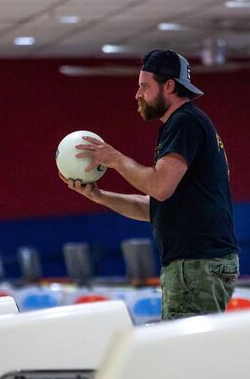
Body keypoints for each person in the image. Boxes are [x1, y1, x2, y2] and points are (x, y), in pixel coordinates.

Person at [60, 49, 239, 320]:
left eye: (144, 86)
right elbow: (154, 206)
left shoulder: (184, 122)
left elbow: (159, 187)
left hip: (195, 264)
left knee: (185, 359)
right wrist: (100, 196)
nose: (138, 94)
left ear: (169, 86)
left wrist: (116, 160)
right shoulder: (188, 124)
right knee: (191, 356)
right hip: (201, 262)